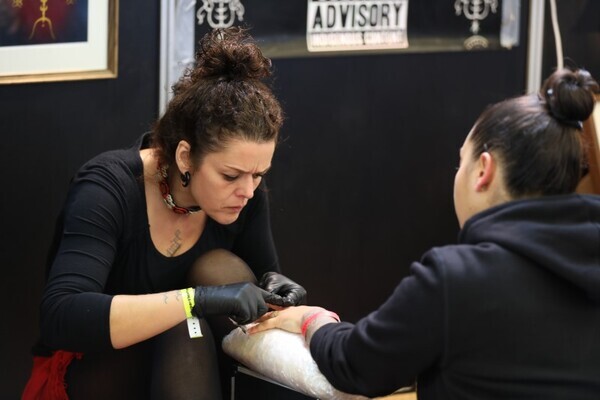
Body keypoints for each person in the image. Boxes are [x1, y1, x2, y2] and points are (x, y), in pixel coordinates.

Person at [251, 67, 600, 399]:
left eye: (461, 163)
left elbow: (356, 364)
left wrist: (312, 319)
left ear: (484, 171)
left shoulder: (457, 279)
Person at [22, 27, 306, 400]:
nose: (248, 191)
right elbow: (62, 316)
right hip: (96, 365)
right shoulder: (107, 188)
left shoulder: (245, 193)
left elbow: (253, 296)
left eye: (259, 175)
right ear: (185, 157)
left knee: (218, 268)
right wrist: (194, 300)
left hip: (197, 365)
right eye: (230, 175)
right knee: (182, 325)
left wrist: (276, 288)